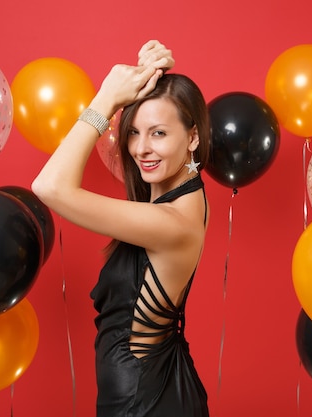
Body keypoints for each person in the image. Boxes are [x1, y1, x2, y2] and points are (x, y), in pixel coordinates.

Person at [32, 40, 210, 417]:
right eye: (133, 132)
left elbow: (49, 187)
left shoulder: (171, 223)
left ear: (192, 137)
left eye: (159, 133)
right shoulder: (181, 196)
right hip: (152, 391)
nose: (141, 148)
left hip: (144, 403)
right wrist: (146, 75)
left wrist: (106, 99)